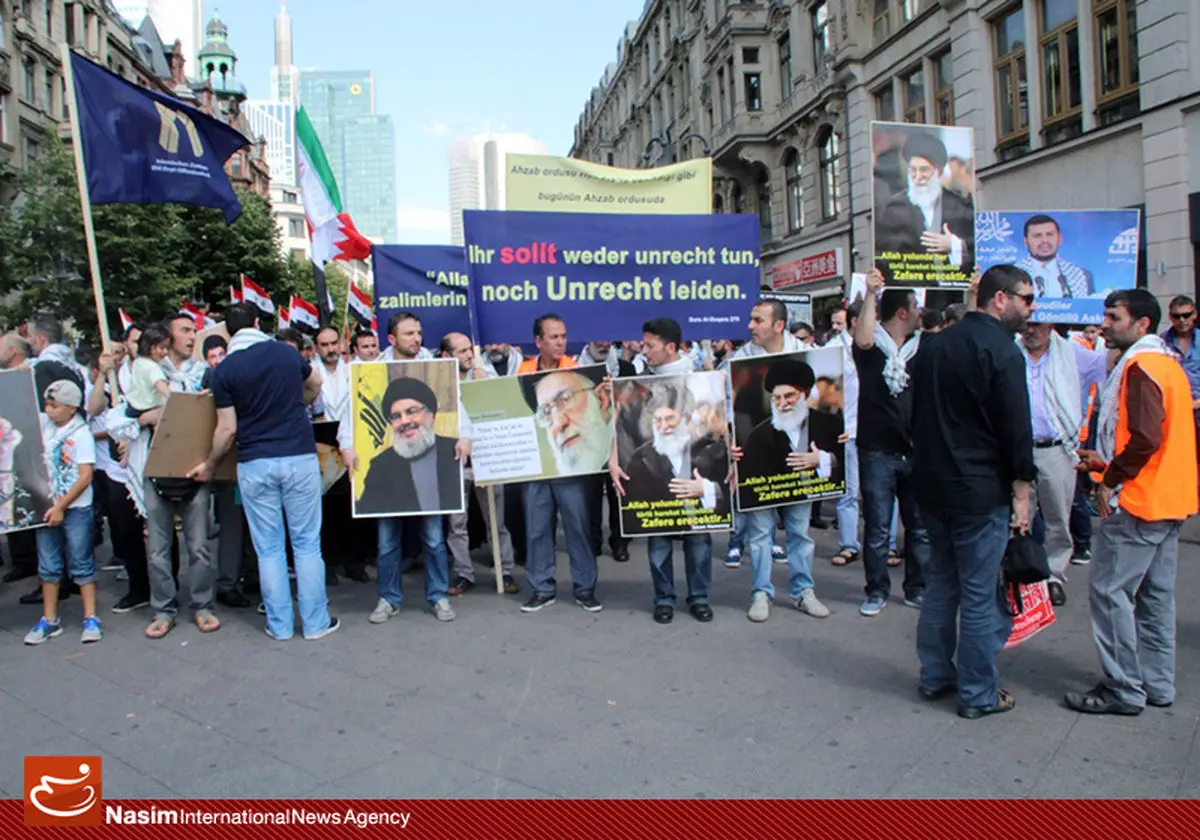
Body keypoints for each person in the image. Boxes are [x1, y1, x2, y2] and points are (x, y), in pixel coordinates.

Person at [911, 264, 1037, 719]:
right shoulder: (1002, 351)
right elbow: (1015, 429)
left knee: (942, 586)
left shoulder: (934, 346)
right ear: (999, 298)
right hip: (978, 491)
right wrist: (1021, 492)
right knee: (979, 595)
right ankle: (977, 693)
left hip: (933, 486)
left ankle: (935, 676)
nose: (1030, 309)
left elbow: (915, 416)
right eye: (1025, 298)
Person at [1066, 289, 1199, 715]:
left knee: (1109, 592)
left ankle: (1124, 687)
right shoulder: (1166, 363)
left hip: (1139, 501)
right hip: (1169, 498)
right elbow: (1149, 437)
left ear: (1141, 324)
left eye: (1113, 317)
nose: (1105, 324)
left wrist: (1110, 478)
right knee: (1156, 597)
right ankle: (1156, 684)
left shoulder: (1141, 366)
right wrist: (1106, 463)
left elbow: (1145, 438)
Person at [190, 302, 338, 641]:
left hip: (255, 461)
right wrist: (295, 403)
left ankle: (280, 625)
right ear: (259, 322)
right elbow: (315, 384)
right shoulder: (286, 354)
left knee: (269, 548)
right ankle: (316, 623)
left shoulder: (224, 370)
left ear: (228, 333)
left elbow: (226, 430)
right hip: (298, 456)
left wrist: (210, 465)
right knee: (306, 544)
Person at [611, 318, 720, 624]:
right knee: (658, 541)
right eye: (643, 345)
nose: (644, 351)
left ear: (671, 347)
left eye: (650, 345)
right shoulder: (640, 385)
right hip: (654, 478)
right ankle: (664, 598)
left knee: (698, 541)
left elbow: (716, 432)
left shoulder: (701, 381)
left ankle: (699, 597)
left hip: (696, 473)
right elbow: (625, 430)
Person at [733, 354, 837, 624]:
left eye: (789, 396)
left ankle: (803, 591)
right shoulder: (759, 433)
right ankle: (760, 593)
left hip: (802, 493)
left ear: (804, 393)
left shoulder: (828, 425)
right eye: (777, 399)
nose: (783, 404)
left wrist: (822, 459)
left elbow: (839, 460)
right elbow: (745, 462)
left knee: (800, 537)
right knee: (759, 538)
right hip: (765, 492)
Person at [853, 266, 931, 615]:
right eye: (916, 306)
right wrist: (871, 293)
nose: (920, 313)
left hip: (917, 451)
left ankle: (917, 587)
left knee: (919, 528)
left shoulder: (924, 348)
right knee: (878, 528)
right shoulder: (871, 349)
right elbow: (864, 337)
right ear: (903, 311)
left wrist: (973, 295)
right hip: (877, 451)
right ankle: (877, 590)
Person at [518, 314, 604, 614]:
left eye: (563, 336)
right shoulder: (523, 372)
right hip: (537, 466)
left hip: (570, 467)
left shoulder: (575, 370)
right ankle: (542, 588)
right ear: (538, 341)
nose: (560, 342)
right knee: (537, 529)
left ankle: (585, 588)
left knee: (577, 527)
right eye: (553, 337)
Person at [1016, 322, 1106, 606]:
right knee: (1019, 518)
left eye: (1037, 325)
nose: (1030, 330)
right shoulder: (1009, 352)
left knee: (1057, 518)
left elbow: (1108, 366)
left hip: (1056, 449)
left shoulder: (1071, 353)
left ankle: (1053, 576)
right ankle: (1020, 575)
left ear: (1050, 325)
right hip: (1017, 449)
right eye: (1026, 325)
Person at [440, 332, 519, 596]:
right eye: (461, 351)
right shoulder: (439, 385)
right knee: (456, 523)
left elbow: (502, 412)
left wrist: (486, 388)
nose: (469, 355)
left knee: (496, 521)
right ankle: (463, 573)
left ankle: (504, 570)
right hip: (453, 460)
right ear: (446, 356)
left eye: (469, 350)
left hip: (487, 457)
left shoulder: (485, 375)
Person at [24, 380, 101, 645]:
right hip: (47, 506)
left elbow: (85, 477)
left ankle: (91, 618)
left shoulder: (81, 434)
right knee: (48, 565)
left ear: (71, 408)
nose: (49, 410)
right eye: (47, 404)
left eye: (54, 406)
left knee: (81, 562)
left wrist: (61, 506)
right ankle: (49, 619)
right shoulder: (45, 425)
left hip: (75, 508)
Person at [355, 377, 462, 515]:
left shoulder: (455, 450)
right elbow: (368, 511)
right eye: (395, 416)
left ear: (431, 414)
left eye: (411, 411)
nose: (404, 421)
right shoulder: (380, 465)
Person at [875, 131, 974, 271]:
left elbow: (977, 247)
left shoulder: (960, 206)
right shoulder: (894, 208)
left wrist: (954, 245)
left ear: (938, 172)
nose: (917, 177)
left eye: (924, 170)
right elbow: (884, 255)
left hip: (954, 289)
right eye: (913, 170)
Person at [1016, 214, 1094, 299]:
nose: (1044, 240)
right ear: (1026, 241)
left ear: (1059, 238)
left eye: (1049, 234)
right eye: (1037, 235)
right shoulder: (1011, 273)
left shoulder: (1080, 275)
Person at [124, 324, 171, 420]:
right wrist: (176, 400)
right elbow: (161, 386)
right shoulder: (152, 367)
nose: (166, 352)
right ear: (151, 348)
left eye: (167, 348)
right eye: (162, 347)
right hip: (147, 408)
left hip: (132, 407)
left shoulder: (138, 362)